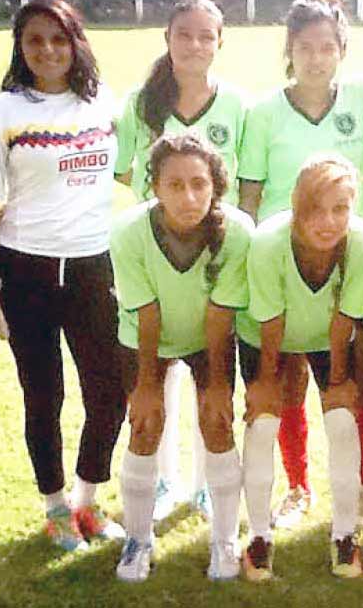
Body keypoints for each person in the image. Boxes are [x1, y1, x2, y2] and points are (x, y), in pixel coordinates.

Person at [0, 0, 126, 551]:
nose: (49, 50)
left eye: (59, 39)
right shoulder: (5, 110)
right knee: (44, 394)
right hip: (24, 270)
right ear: (21, 47)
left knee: (109, 389)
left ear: (76, 42)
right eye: (35, 40)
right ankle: (55, 507)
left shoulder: (103, 102)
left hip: (93, 267)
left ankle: (87, 499)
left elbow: (134, 170)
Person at [237, 0, 363, 528]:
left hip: (345, 260)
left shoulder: (361, 100)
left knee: (356, 376)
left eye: (327, 46)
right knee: (288, 381)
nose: (316, 57)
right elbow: (249, 195)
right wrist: (254, 259)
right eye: (304, 47)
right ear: (289, 50)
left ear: (342, 50)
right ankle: (299, 486)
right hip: (283, 261)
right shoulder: (264, 112)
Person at [115, 0, 251, 522]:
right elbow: (119, 168)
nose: (194, 45)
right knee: (157, 384)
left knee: (210, 378)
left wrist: (233, 235)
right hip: (154, 248)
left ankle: (203, 486)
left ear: (220, 42)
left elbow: (247, 179)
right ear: (167, 39)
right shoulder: (140, 102)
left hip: (214, 247)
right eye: (184, 35)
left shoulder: (236, 103)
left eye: (205, 36)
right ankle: (163, 481)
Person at [110, 133, 253, 582]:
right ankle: (138, 540)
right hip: (145, 337)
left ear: (216, 185)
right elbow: (146, 313)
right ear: (154, 187)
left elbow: (219, 316)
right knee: (145, 424)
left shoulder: (237, 232)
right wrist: (146, 387)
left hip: (207, 337)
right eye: (175, 185)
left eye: (199, 183)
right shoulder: (129, 232)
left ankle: (224, 541)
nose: (189, 197)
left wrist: (217, 385)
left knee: (217, 421)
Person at [236, 154, 363, 580]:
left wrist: (338, 382)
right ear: (296, 205)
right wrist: (265, 383)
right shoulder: (267, 242)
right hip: (266, 337)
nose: (328, 222)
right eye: (315, 209)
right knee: (262, 423)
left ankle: (345, 535)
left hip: (327, 335)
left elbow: (345, 317)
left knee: (342, 422)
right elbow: (271, 322)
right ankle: (259, 538)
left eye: (340, 209)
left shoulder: (362, 243)